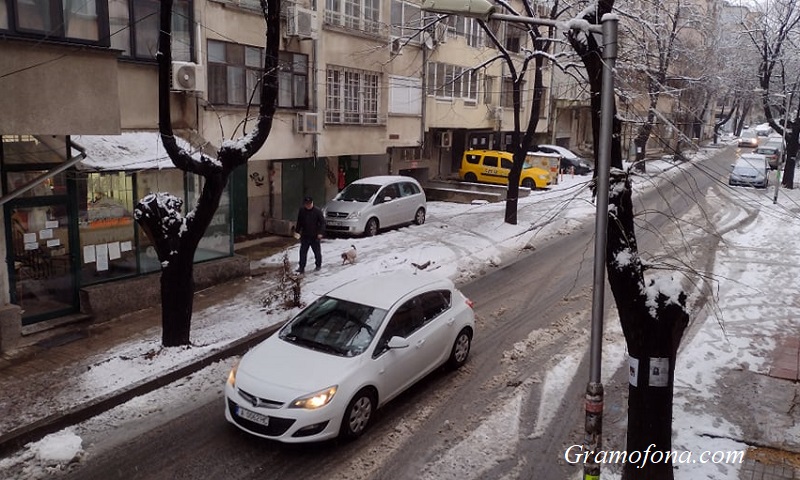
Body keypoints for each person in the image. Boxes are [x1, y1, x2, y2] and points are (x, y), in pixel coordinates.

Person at [295, 196, 325, 273]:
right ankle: (301, 267)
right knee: (302, 252)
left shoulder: (317, 211)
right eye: (306, 204)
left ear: (312, 203)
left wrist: (320, 233)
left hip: (315, 236)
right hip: (305, 235)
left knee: (317, 252)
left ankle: (318, 265)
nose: (308, 205)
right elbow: (299, 222)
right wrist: (297, 231)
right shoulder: (302, 211)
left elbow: (322, 223)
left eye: (309, 204)